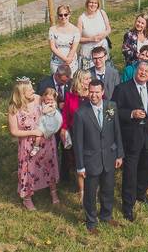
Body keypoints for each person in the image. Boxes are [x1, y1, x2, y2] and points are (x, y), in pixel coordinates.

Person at [116, 61, 148, 222]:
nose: (143, 73)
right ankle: (128, 206)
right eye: (141, 70)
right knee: (131, 172)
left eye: (147, 71)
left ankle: (141, 194)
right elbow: (112, 111)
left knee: (146, 167)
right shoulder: (122, 89)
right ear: (135, 70)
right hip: (132, 137)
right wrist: (131, 113)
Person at [73, 79, 124, 234]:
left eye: (97, 92)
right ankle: (91, 222)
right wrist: (80, 165)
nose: (94, 95)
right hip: (91, 160)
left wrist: (119, 154)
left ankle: (106, 215)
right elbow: (78, 143)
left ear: (102, 92)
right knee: (90, 192)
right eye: (91, 92)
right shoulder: (80, 113)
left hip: (109, 157)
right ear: (88, 92)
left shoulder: (111, 107)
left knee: (108, 189)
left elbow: (117, 132)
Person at [8, 78, 59, 210]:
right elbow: (14, 131)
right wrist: (33, 132)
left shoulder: (38, 98)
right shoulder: (14, 108)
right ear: (21, 93)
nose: (33, 91)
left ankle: (53, 192)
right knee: (28, 169)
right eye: (30, 90)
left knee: (49, 165)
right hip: (27, 143)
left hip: (46, 140)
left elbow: (51, 105)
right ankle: (27, 198)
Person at [35, 65, 72, 183]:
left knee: (66, 149)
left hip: (65, 122)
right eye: (62, 81)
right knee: (51, 150)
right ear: (57, 75)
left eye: (66, 81)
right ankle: (49, 176)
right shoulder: (44, 84)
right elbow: (39, 105)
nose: (64, 84)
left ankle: (65, 176)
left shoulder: (69, 82)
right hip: (50, 124)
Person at [62, 70, 92, 201]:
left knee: (91, 161)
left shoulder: (96, 94)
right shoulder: (70, 96)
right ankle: (82, 191)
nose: (89, 81)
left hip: (92, 134)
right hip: (77, 133)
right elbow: (65, 114)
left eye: (90, 78)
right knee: (79, 162)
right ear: (79, 81)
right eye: (86, 79)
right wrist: (63, 128)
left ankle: (92, 186)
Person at [77, 0, 111, 70]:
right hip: (88, 54)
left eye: (95, 3)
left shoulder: (102, 13)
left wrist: (103, 35)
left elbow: (108, 29)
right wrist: (91, 39)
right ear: (87, 3)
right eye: (91, 2)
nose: (93, 5)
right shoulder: (81, 18)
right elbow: (78, 39)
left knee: (103, 72)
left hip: (102, 49)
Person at [30, 87, 62, 157]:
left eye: (51, 99)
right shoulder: (42, 103)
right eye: (48, 99)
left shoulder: (52, 105)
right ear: (44, 97)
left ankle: (37, 147)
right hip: (42, 121)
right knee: (38, 135)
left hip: (48, 122)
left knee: (41, 133)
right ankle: (36, 146)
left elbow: (44, 111)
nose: (49, 101)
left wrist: (45, 108)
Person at [49, 5, 80, 74]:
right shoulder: (52, 29)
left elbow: (74, 47)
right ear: (58, 16)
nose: (63, 17)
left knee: (71, 81)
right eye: (61, 15)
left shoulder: (75, 30)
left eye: (65, 14)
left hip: (71, 61)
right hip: (56, 62)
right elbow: (52, 47)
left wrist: (68, 60)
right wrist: (64, 59)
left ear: (69, 15)